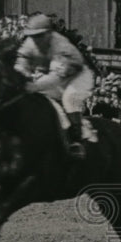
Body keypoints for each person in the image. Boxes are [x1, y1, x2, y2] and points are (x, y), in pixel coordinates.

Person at [14, 13, 94, 160]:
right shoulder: (30, 42)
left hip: (79, 76)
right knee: (44, 101)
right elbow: (21, 62)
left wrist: (31, 86)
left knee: (69, 99)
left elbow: (54, 80)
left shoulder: (61, 45)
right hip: (54, 77)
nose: (35, 39)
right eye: (32, 35)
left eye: (39, 35)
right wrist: (22, 74)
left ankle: (76, 140)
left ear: (49, 34)